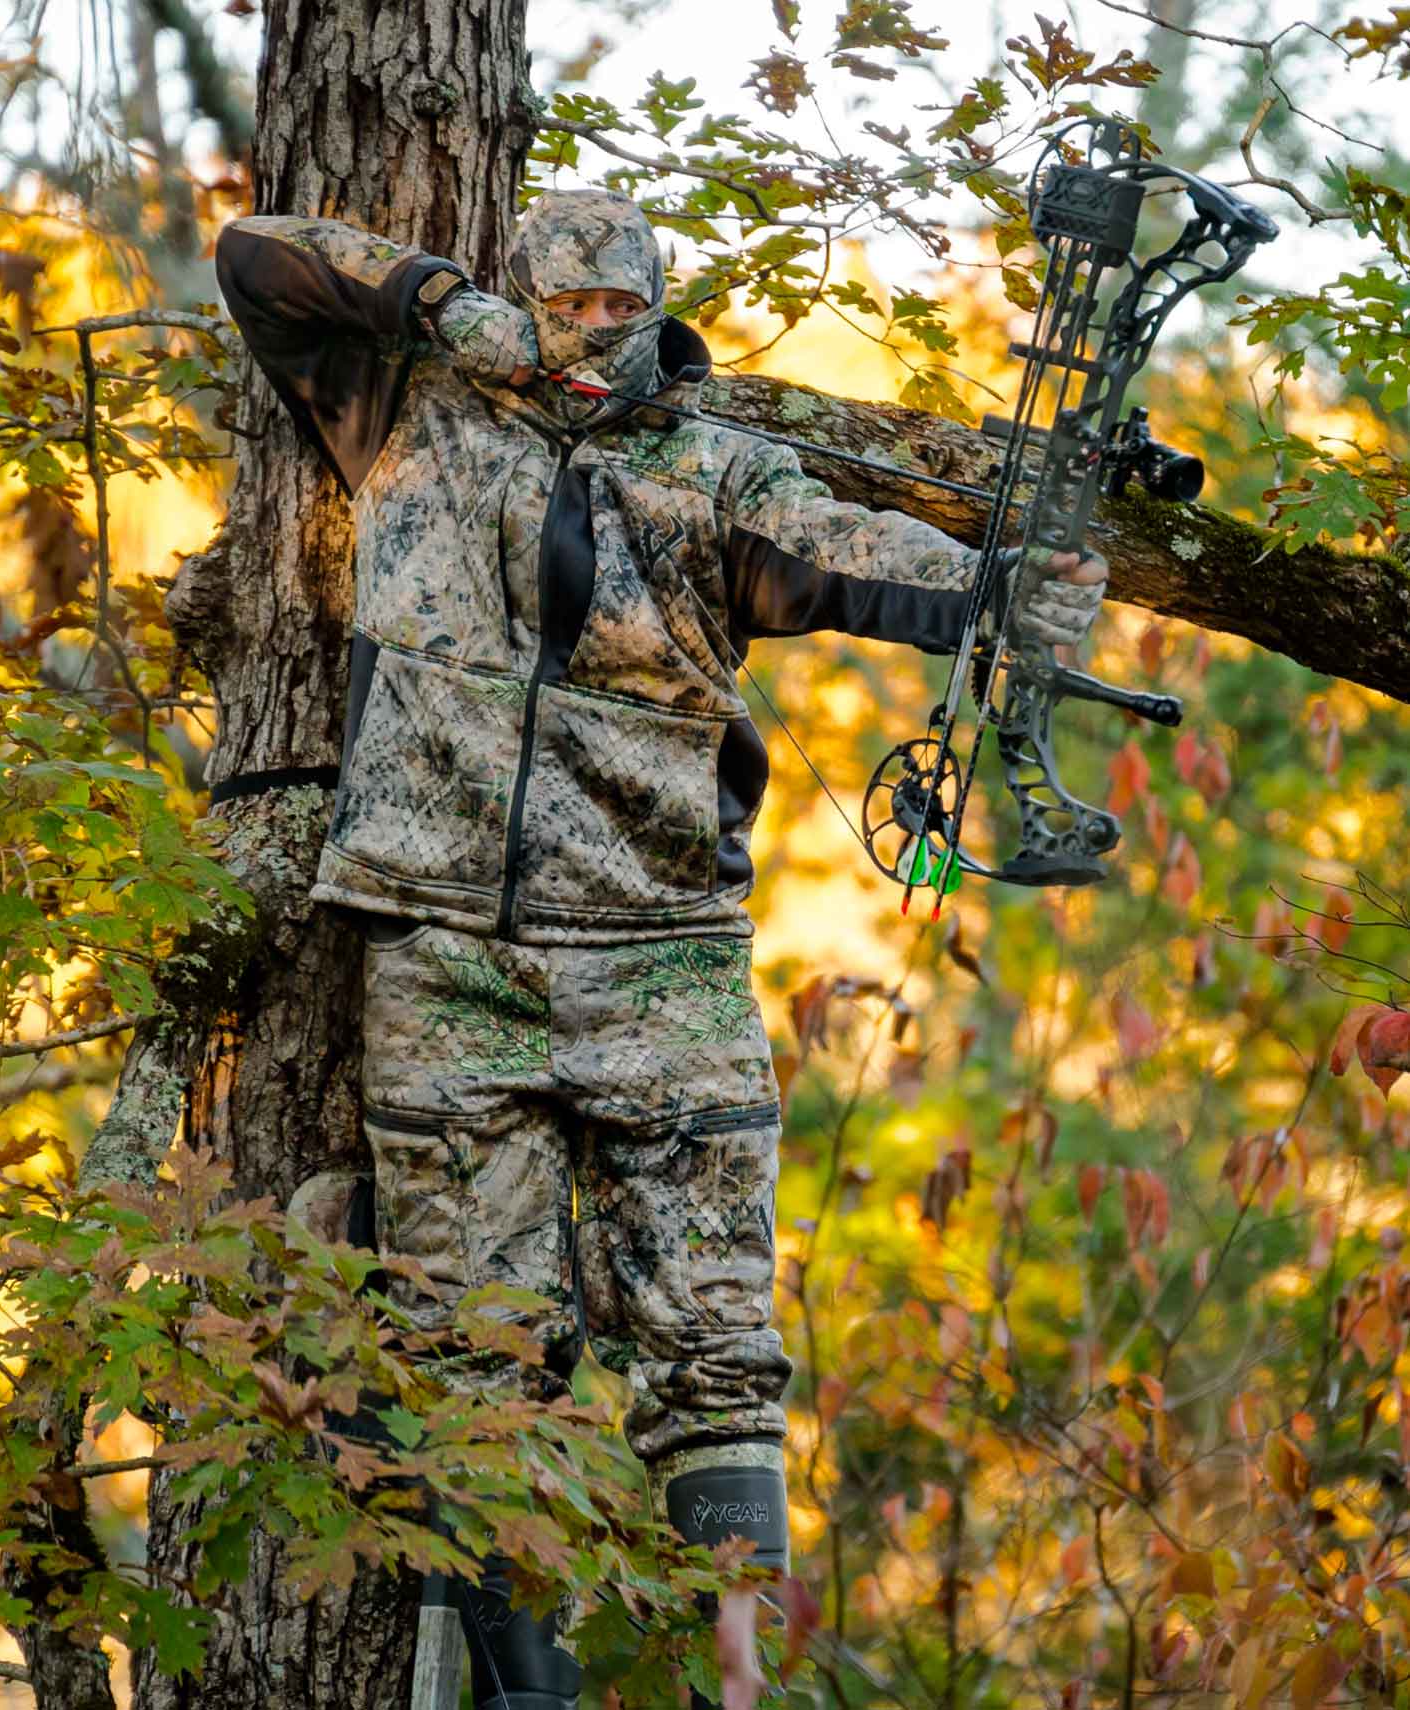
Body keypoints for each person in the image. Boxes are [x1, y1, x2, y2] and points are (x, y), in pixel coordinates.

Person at [215, 188, 1106, 1710]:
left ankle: (733, 1682)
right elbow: (260, 260)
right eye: (564, 309)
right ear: (520, 300)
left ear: (655, 312)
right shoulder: (404, 408)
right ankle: (527, 1694)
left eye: (620, 312)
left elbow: (842, 544)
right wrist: (438, 304)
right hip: (445, 947)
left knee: (713, 1331)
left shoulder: (710, 470)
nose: (591, 336)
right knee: (469, 1344)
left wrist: (1004, 589)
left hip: (662, 954)